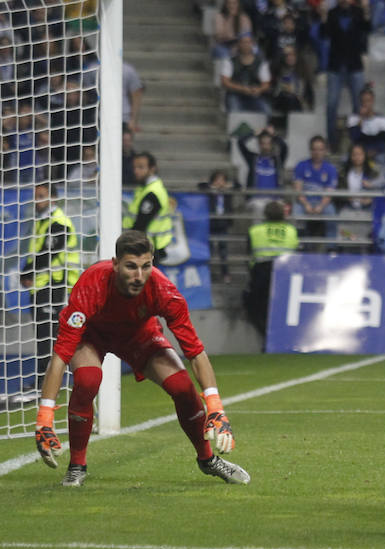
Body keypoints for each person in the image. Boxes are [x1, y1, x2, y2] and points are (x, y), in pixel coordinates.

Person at [33, 230, 250, 487]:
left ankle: (208, 460)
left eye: (146, 266)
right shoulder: (91, 284)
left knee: (182, 386)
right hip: (93, 336)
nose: (139, 276)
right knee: (88, 379)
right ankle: (77, 466)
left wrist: (215, 406)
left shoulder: (164, 291)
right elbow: (60, 355)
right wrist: (45, 415)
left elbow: (195, 351)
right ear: (115, 264)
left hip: (138, 335)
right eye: (131, 267)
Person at [16, 183, 80, 404]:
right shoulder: (43, 222)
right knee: (44, 333)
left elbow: (48, 253)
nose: (37, 201)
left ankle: (47, 383)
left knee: (48, 335)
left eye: (42, 196)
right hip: (42, 284)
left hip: (55, 285)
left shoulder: (59, 223)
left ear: (54, 198)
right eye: (36, 196)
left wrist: (26, 272)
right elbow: (37, 252)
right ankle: (44, 382)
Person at [244, 201, 299, 339]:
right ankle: (281, 336)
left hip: (261, 272)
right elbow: (295, 250)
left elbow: (249, 250)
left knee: (257, 305)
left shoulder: (255, 230)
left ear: (265, 214)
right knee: (282, 306)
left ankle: (266, 335)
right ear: (283, 214)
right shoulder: (291, 230)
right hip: (284, 272)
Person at [323, 0, 371, 152]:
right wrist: (324, 18)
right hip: (335, 66)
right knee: (331, 104)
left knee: (359, 106)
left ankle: (357, 142)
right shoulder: (332, 13)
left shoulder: (357, 12)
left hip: (354, 65)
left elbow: (367, 28)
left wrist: (366, 12)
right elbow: (324, 34)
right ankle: (332, 142)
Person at [123, 152, 172, 264]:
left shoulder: (152, 193)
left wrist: (126, 244)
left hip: (148, 248)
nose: (136, 171)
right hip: (146, 246)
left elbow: (141, 224)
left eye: (141, 167)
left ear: (152, 169)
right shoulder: (145, 189)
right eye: (135, 167)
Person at [292, 135, 339, 241]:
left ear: (325, 150)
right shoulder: (301, 165)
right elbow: (298, 190)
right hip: (304, 201)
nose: (317, 152)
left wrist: (320, 206)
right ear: (310, 150)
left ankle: (331, 248)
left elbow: (329, 193)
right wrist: (306, 204)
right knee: (296, 214)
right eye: (314, 149)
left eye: (320, 149)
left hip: (323, 202)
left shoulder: (331, 169)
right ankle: (298, 245)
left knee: (331, 214)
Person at [220, 32, 272, 115]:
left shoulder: (261, 62)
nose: (246, 45)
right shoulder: (230, 61)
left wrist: (259, 89)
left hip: (254, 96)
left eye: (248, 42)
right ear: (239, 44)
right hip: (235, 95)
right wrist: (242, 89)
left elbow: (266, 84)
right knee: (235, 112)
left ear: (253, 44)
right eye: (243, 42)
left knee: (266, 111)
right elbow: (225, 82)